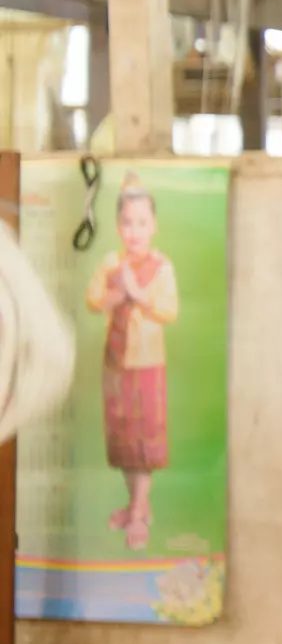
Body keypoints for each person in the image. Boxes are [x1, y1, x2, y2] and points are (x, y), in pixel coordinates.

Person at [85, 172, 179, 552]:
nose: (134, 230)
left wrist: (137, 293)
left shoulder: (162, 267)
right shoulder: (111, 262)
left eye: (142, 222)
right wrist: (114, 294)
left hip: (146, 365)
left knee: (144, 442)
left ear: (153, 225)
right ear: (117, 226)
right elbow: (94, 300)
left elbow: (168, 311)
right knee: (124, 440)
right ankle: (136, 503)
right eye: (127, 222)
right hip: (116, 363)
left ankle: (139, 513)